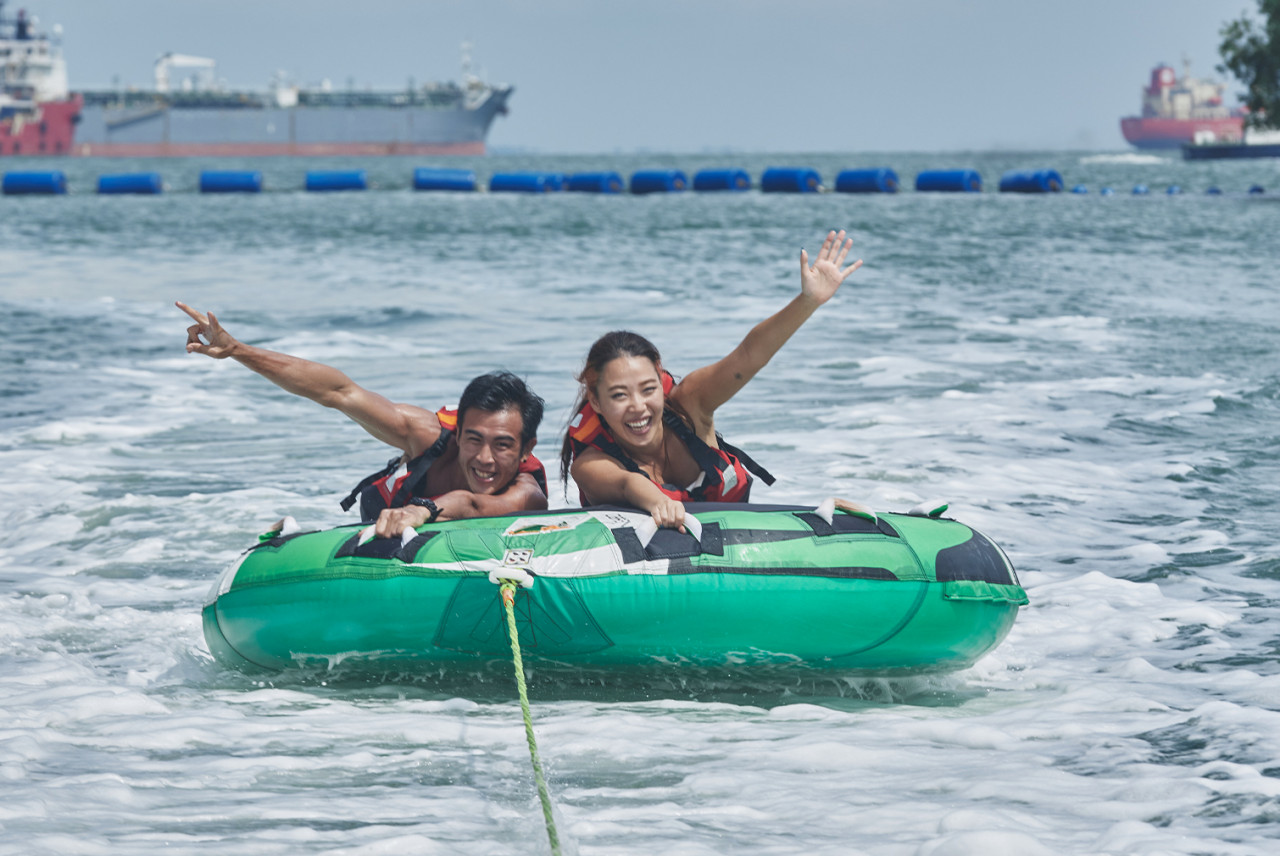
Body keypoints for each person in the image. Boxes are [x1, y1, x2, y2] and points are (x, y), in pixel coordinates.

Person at [560, 229, 863, 531]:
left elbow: (747, 356)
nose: (638, 407)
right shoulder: (589, 465)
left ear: (660, 378)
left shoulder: (690, 404)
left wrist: (807, 302)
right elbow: (627, 484)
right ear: (596, 402)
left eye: (648, 389)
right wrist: (658, 503)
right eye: (619, 396)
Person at [177, 302, 548, 537]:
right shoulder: (426, 436)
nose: (484, 459)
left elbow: (473, 507)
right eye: (473, 440)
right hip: (377, 525)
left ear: (525, 448)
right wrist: (238, 351)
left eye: (502, 446)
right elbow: (339, 392)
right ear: (458, 433)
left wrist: (423, 510)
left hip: (423, 517)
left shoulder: (527, 493)